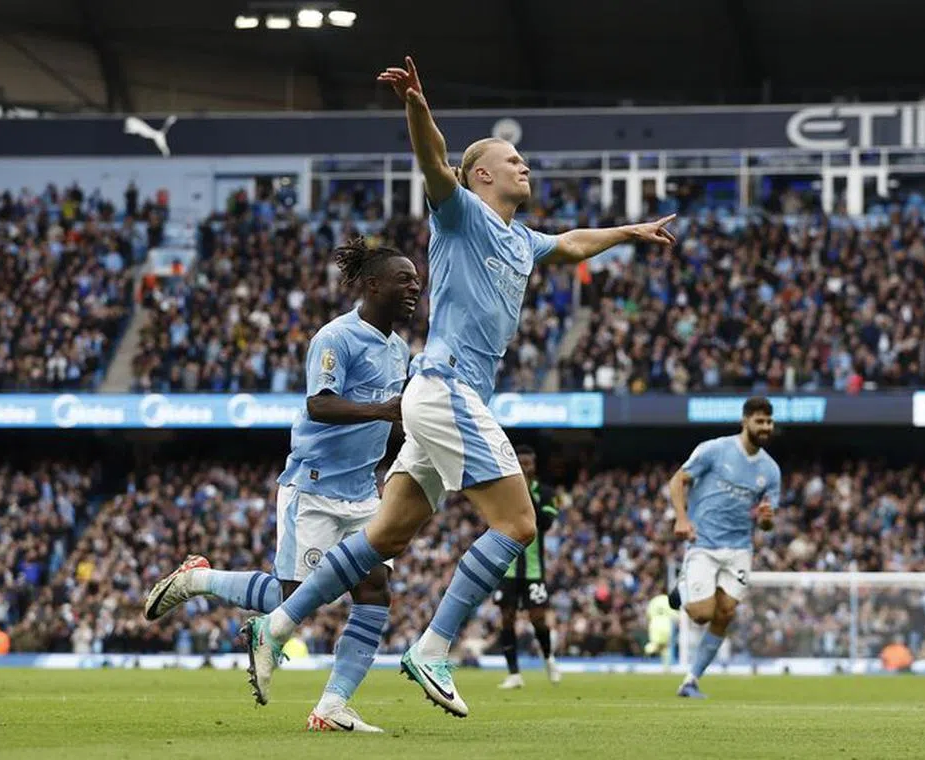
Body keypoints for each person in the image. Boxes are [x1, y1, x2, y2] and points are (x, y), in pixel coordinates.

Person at [240, 55, 677, 717]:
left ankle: (274, 627)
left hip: (437, 398)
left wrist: (628, 233)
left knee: (384, 540)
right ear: (482, 176)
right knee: (521, 523)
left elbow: (573, 243)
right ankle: (436, 647)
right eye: (512, 160)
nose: (524, 167)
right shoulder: (463, 215)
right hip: (448, 390)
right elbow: (434, 162)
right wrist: (417, 104)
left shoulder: (520, 239)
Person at [143, 238, 420, 732]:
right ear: (373, 285)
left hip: (362, 491)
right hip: (312, 485)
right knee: (293, 596)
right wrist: (384, 410)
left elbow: (394, 417)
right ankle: (196, 579)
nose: (415, 286)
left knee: (376, 591)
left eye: (417, 279)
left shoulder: (399, 350)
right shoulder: (335, 338)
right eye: (405, 278)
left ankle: (333, 706)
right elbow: (320, 405)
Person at [667, 396, 781, 699]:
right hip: (704, 543)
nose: (766, 427)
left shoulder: (770, 471)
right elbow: (678, 480)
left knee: (726, 613)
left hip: (740, 548)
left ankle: (691, 680)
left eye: (769, 422)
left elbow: (767, 523)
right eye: (760, 421)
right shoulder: (715, 450)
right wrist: (681, 518)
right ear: (745, 421)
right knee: (702, 614)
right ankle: (683, 586)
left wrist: (767, 520)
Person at [495, 445, 562, 689]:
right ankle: (514, 674)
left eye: (528, 464)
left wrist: (525, 495)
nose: (524, 468)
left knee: (538, 618)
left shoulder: (546, 493)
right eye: (520, 463)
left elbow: (545, 523)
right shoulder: (503, 494)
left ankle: (548, 659)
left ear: (534, 466)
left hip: (534, 569)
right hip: (508, 568)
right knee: (506, 618)